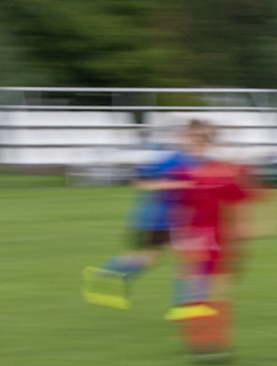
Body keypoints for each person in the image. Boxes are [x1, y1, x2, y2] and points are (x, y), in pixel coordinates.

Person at [82, 121, 209, 311]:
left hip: (173, 220)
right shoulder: (170, 160)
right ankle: (185, 306)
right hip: (156, 219)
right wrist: (175, 185)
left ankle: (105, 273)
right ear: (187, 138)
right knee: (188, 258)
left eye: (204, 140)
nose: (201, 144)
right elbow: (139, 181)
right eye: (197, 139)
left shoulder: (199, 162)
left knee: (152, 259)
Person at [168, 147, 264, 362]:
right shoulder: (225, 178)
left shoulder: (194, 176)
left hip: (195, 239)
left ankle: (197, 342)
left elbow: (180, 208)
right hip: (215, 240)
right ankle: (214, 344)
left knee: (196, 291)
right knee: (217, 292)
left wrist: (179, 238)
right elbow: (242, 204)